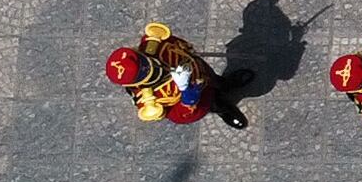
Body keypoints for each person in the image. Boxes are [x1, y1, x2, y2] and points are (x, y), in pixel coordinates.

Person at [106, 22, 252, 129]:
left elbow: (173, 42)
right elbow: (178, 114)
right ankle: (223, 108)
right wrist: (188, 94)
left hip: (200, 70)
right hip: (198, 99)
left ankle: (226, 83)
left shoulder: (152, 46)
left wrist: (188, 50)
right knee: (213, 102)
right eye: (143, 72)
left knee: (215, 80)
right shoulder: (147, 99)